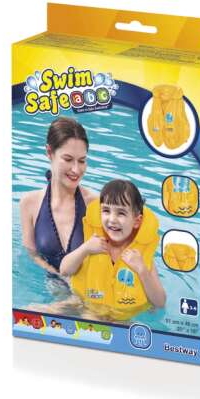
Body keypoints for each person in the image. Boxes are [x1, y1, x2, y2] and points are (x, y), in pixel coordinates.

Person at [61, 179, 166, 316]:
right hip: (80, 302)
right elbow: (64, 270)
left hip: (119, 317)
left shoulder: (140, 256)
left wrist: (142, 270)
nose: (112, 219)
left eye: (121, 213)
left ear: (137, 221)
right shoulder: (93, 243)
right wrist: (85, 249)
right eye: (106, 211)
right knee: (40, 311)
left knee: (90, 318)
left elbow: (160, 302)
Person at [18, 117, 96, 275]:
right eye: (68, 159)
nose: (76, 170)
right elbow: (32, 254)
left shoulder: (95, 204)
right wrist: (58, 279)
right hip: (47, 284)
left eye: (82, 161)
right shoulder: (29, 203)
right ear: (49, 152)